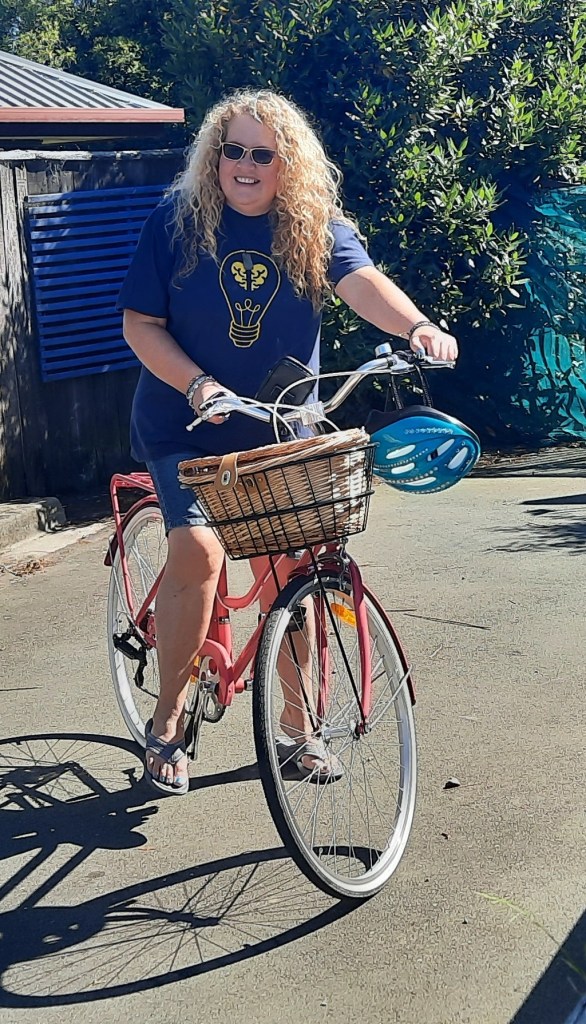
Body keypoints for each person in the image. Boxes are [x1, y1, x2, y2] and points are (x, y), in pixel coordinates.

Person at [118, 88, 458, 795]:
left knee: (293, 571)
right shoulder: (176, 222)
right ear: (215, 157)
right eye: (232, 151)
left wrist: (417, 327)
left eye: (262, 155)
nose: (244, 165)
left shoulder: (313, 225)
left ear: (287, 164)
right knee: (200, 551)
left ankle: (299, 730)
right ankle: (170, 717)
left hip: (278, 426)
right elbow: (140, 325)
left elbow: (360, 282)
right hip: (186, 423)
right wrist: (198, 386)